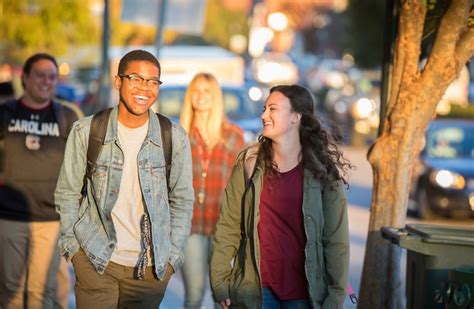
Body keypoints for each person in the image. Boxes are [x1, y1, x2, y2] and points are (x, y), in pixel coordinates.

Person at [54, 49, 194, 308]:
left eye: (153, 81)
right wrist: (74, 250)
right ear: (118, 82)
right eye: (136, 79)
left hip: (149, 270)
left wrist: (173, 257)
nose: (145, 88)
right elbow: (68, 192)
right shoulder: (86, 131)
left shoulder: (174, 137)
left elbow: (183, 200)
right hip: (95, 261)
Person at [210, 85, 352, 308]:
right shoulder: (249, 163)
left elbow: (336, 240)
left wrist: (335, 296)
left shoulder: (322, 172)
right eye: (265, 109)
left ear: (296, 117)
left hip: (304, 292)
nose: (264, 115)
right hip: (256, 289)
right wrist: (220, 280)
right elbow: (228, 225)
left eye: (273, 109)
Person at [0, 53, 82, 308]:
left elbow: (80, 167)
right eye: (40, 75)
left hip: (50, 219)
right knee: (9, 291)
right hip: (9, 215)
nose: (46, 81)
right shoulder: (5, 112)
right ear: (25, 77)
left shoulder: (67, 116)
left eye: (52, 76)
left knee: (41, 292)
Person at [179, 73, 245, 308]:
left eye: (207, 91)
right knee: (194, 295)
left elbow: (243, 183)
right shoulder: (179, 137)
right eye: (196, 90)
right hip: (191, 225)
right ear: (190, 96)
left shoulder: (233, 136)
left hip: (224, 227)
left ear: (216, 97)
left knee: (224, 297)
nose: (201, 96)